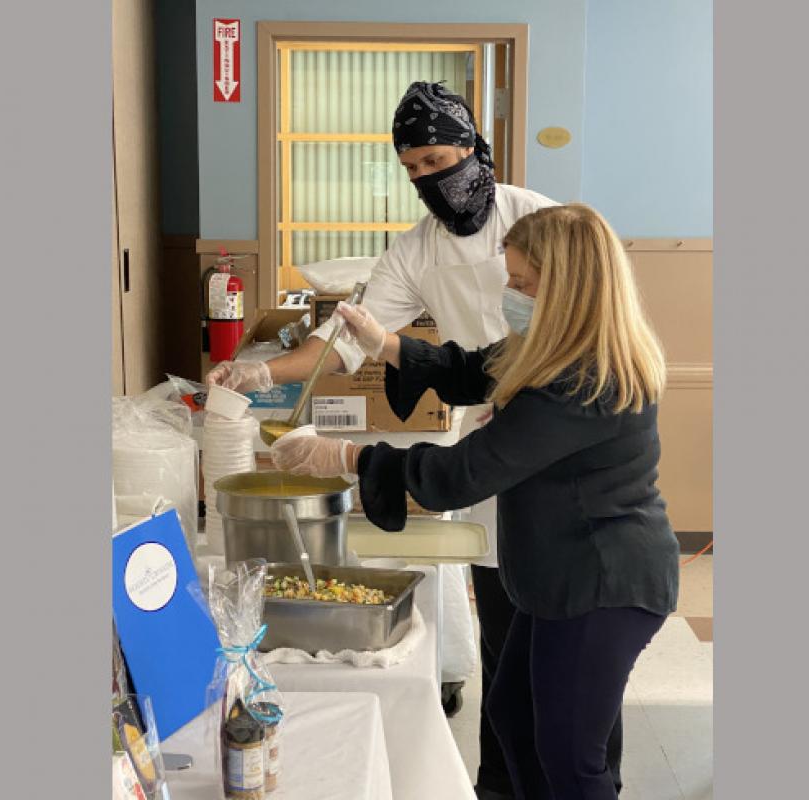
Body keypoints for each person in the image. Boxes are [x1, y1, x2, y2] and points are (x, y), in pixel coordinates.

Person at [208, 81, 619, 799]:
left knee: (572, 705)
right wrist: (265, 370)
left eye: (436, 160)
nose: (429, 181)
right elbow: (383, 354)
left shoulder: (541, 224)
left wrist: (345, 456)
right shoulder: (416, 252)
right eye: (413, 171)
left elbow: (456, 465)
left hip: (563, 465)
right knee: (509, 658)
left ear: (473, 150)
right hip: (495, 421)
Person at [272, 203, 680, 800]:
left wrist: (345, 457)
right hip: (556, 573)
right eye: (510, 279)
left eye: (523, 284)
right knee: (514, 718)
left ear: (569, 289)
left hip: (603, 584)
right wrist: (385, 342)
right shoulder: (547, 350)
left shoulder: (585, 382)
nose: (512, 295)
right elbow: (471, 368)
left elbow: (463, 473)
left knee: (572, 759)